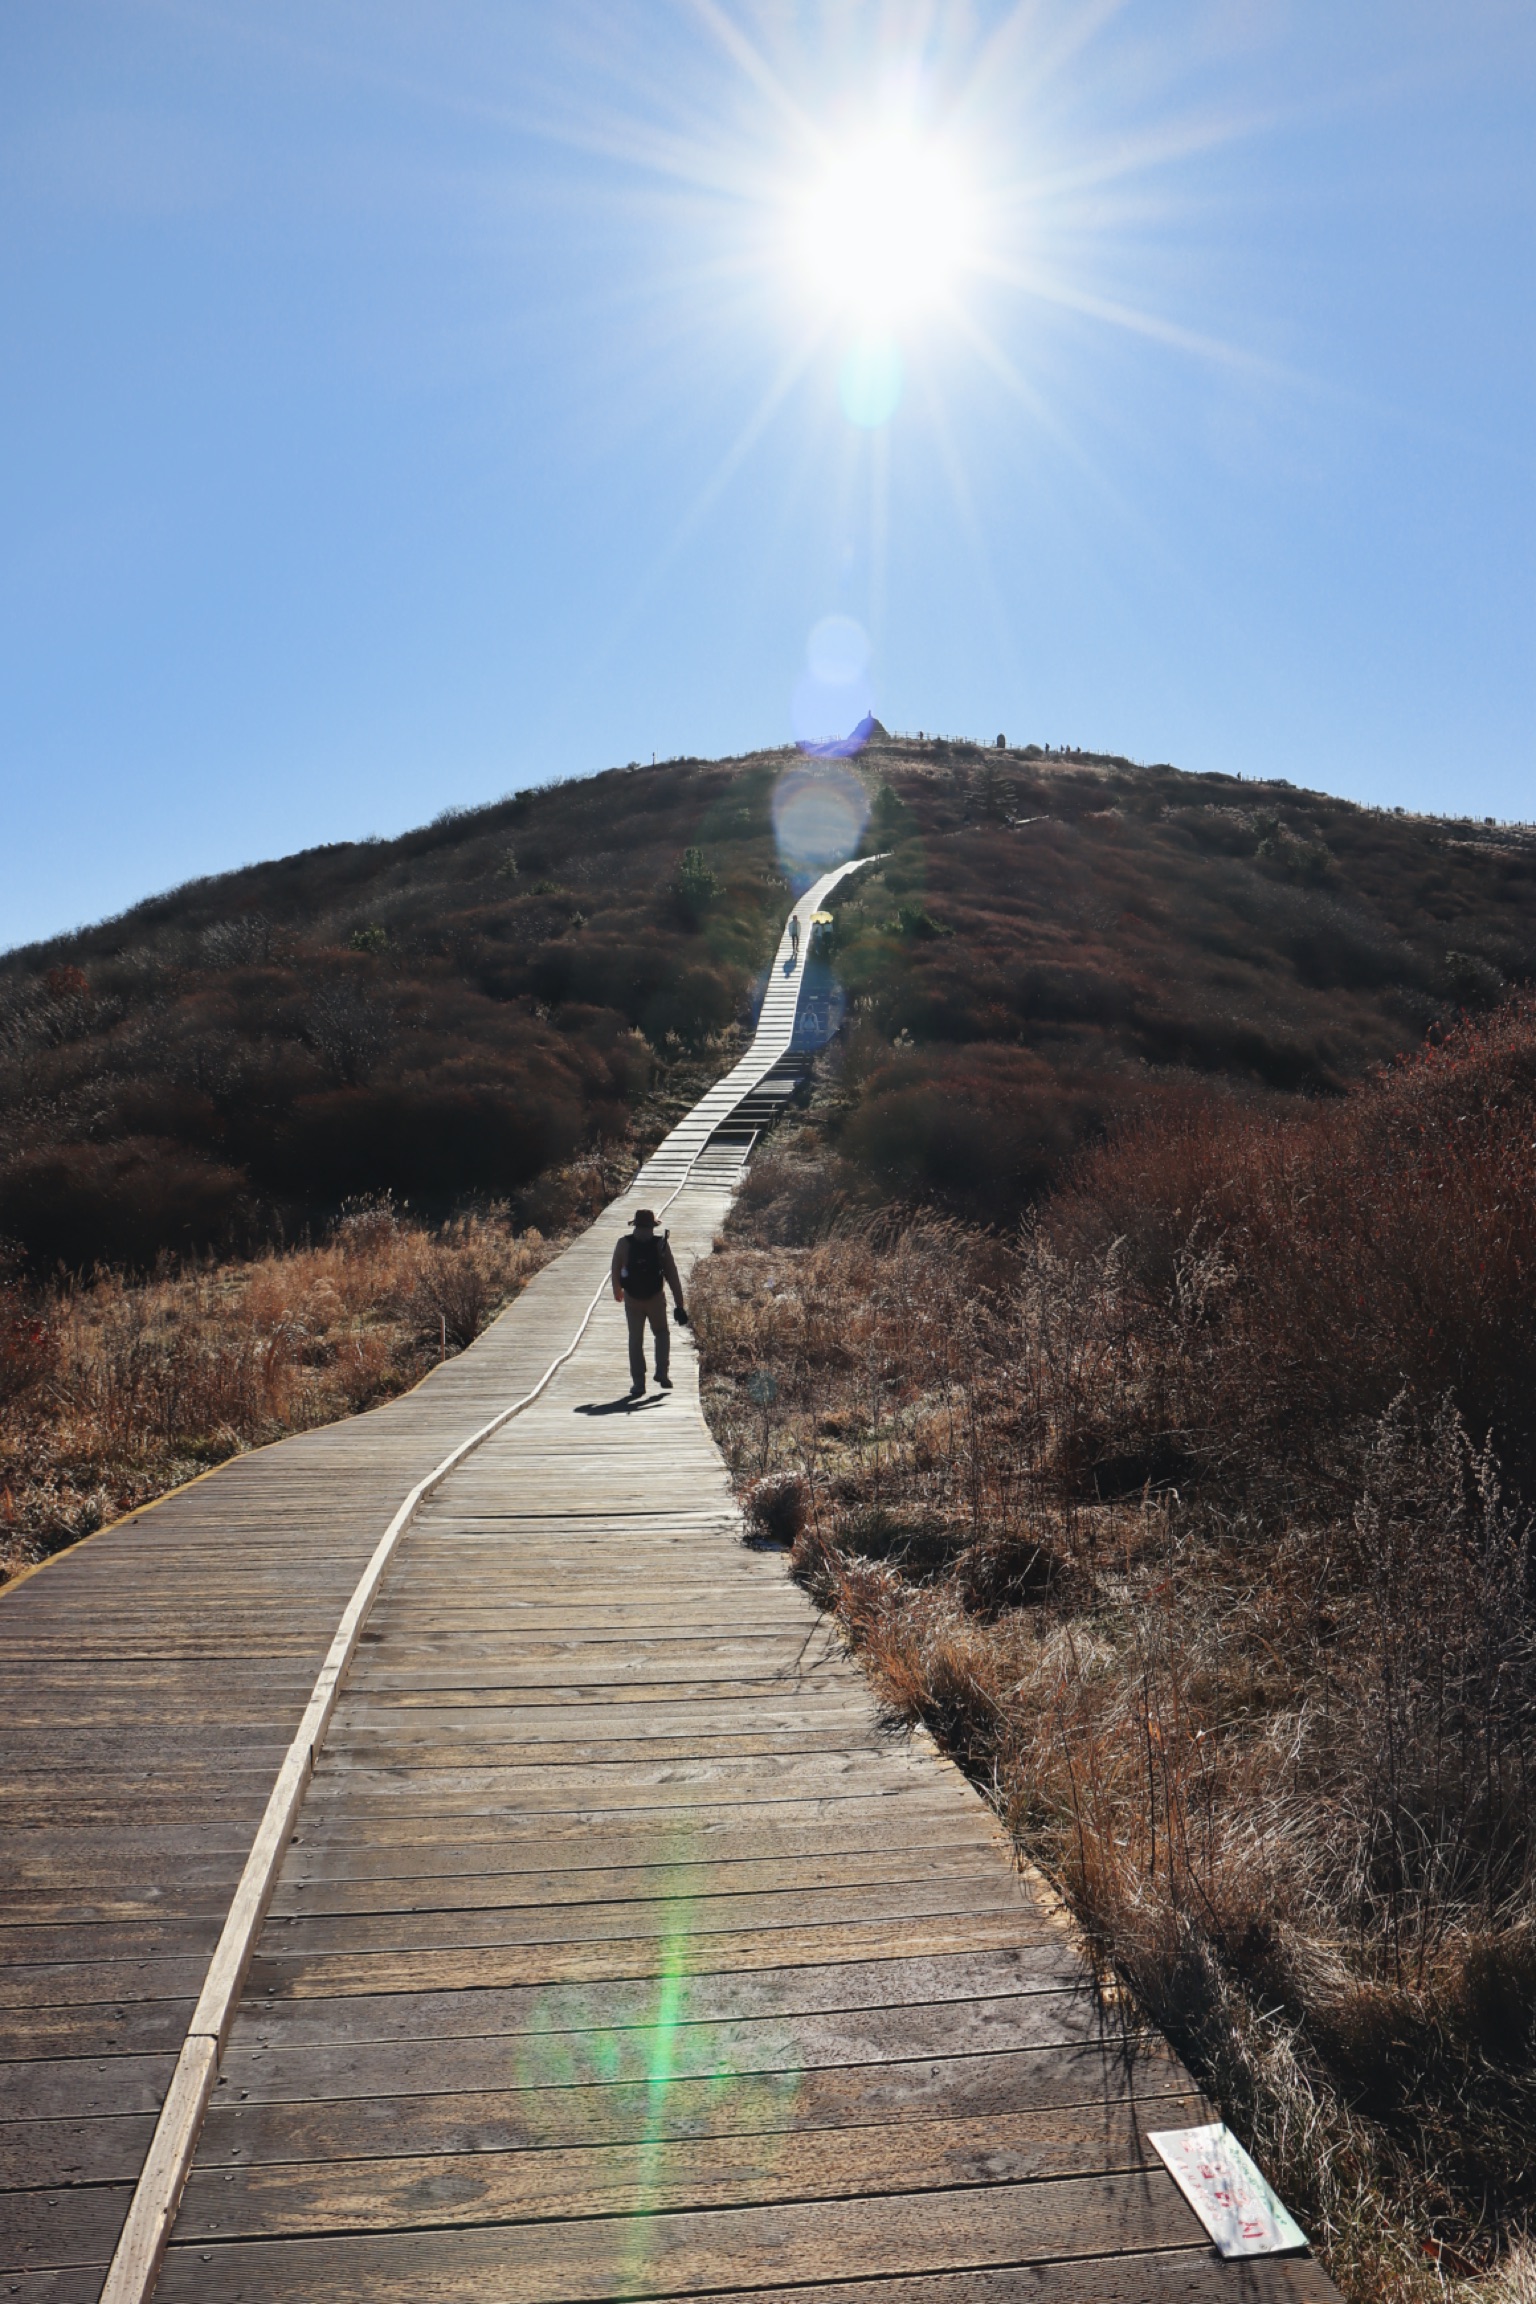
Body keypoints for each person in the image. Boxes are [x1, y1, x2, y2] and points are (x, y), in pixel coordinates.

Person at [612, 1208, 687, 1398]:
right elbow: (672, 1274)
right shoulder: (660, 1244)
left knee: (635, 1339)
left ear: (635, 1225)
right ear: (653, 1226)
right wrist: (679, 1303)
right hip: (655, 1298)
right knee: (661, 1333)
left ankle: (638, 1383)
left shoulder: (623, 1243)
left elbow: (615, 1269)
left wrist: (617, 1291)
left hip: (632, 1298)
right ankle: (662, 1371)